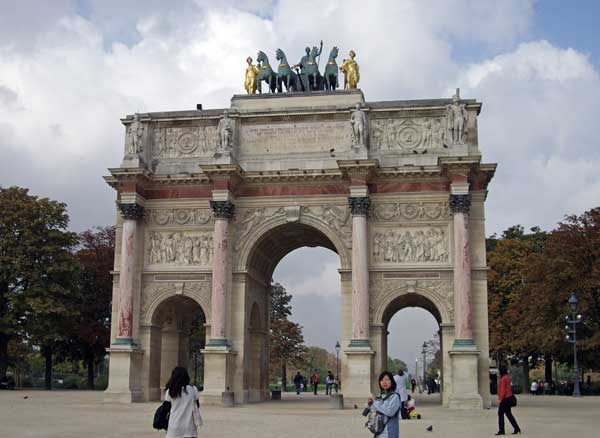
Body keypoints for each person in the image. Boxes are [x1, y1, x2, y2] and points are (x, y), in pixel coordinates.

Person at [164, 367, 201, 438]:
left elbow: (167, 408)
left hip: (174, 427)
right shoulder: (193, 390)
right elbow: (197, 406)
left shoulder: (170, 391)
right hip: (190, 428)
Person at [367, 372, 401, 438]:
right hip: (378, 432)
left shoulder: (395, 396)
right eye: (382, 380)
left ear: (392, 381)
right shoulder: (380, 396)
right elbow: (374, 411)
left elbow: (389, 411)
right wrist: (370, 404)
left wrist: (375, 402)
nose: (384, 382)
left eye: (387, 379)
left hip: (389, 433)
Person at [496, 366, 521, 435]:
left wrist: (500, 399)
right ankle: (516, 428)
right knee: (508, 414)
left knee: (500, 414)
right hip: (508, 397)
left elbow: (503, 390)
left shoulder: (503, 379)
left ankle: (501, 430)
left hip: (505, 399)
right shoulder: (507, 377)